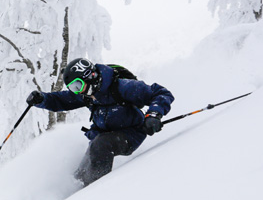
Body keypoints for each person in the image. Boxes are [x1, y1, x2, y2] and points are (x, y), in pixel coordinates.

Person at [26, 58, 174, 186]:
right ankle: (71, 196)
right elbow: (61, 99)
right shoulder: (87, 94)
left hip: (131, 133)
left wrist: (153, 115)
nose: (77, 92)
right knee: (83, 168)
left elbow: (160, 93)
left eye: (77, 86)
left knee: (101, 145)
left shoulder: (122, 87)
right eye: (73, 88)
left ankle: (93, 192)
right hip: (103, 136)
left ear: (90, 76)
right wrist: (42, 99)